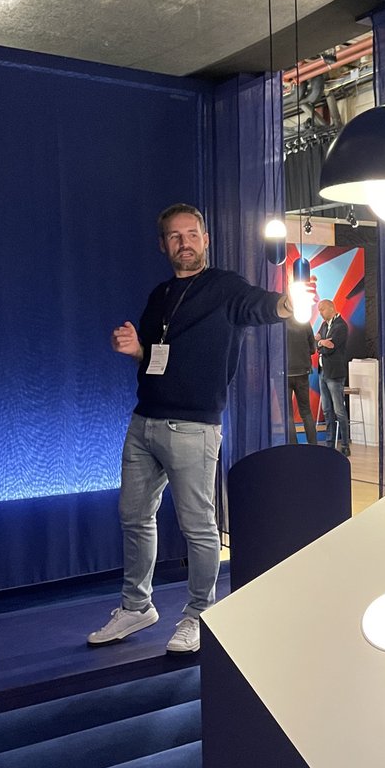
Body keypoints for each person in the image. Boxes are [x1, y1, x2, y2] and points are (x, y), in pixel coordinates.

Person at [88, 204, 294, 654]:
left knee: (198, 527)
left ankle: (200, 614)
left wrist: (286, 304)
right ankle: (137, 606)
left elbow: (260, 306)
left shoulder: (225, 288)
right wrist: (136, 350)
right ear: (163, 245)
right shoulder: (160, 295)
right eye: (175, 236)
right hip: (144, 421)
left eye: (192, 234)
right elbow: (155, 357)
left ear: (206, 239)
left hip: (193, 427)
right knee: (134, 517)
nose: (185, 242)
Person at [316, 298, 350, 456]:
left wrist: (321, 344)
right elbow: (316, 343)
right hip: (323, 372)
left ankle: (345, 444)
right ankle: (329, 443)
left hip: (335, 374)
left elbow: (331, 348)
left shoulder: (341, 326)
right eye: (319, 310)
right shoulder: (324, 325)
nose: (320, 313)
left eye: (322, 309)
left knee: (339, 411)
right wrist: (321, 343)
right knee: (327, 410)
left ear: (331, 308)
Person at [286, 318, 318, 444]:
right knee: (306, 411)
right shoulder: (304, 322)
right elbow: (313, 349)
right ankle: (313, 445)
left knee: (288, 414)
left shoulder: (278, 323)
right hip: (303, 373)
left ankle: (293, 447)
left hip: (284, 373)